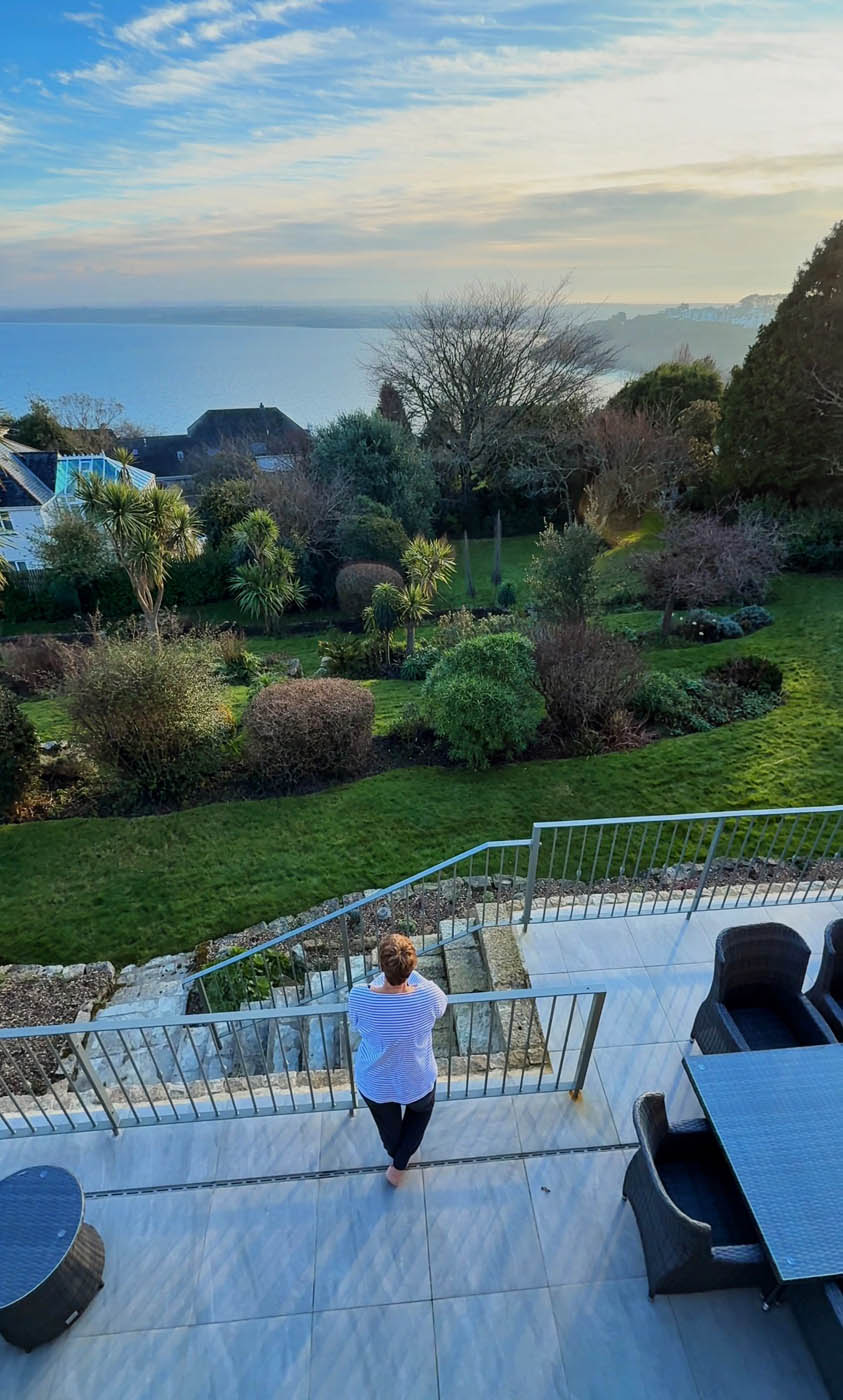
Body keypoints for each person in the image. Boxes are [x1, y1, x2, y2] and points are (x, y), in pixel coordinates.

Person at [348, 933, 448, 1186]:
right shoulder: (428, 995)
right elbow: (441, 1006)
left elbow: (357, 1024)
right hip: (418, 1076)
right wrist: (412, 975)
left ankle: (397, 1157)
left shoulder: (359, 996)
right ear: (412, 966)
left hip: (375, 1080)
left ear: (381, 966)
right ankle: (399, 1166)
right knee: (420, 1116)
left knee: (389, 1131)